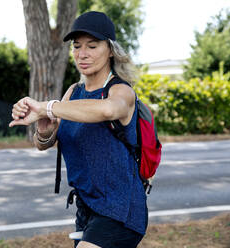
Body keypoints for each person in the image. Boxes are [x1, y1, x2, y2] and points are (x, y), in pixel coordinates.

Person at [9, 11, 147, 248]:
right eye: (77, 46)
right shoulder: (73, 92)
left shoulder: (121, 91)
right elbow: (43, 144)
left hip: (121, 208)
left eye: (92, 46)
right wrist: (45, 130)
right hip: (87, 207)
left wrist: (48, 107)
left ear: (110, 50)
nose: (82, 54)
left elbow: (107, 110)